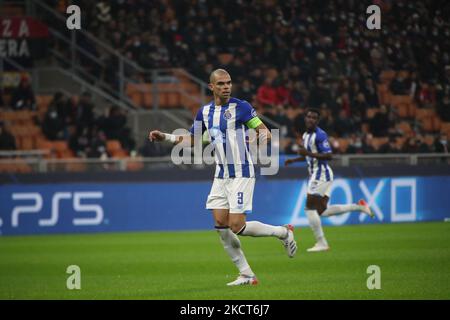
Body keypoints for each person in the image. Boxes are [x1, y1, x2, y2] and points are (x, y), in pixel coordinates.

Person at [148, 69, 297, 286]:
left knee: (237, 225)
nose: (226, 87)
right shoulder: (204, 112)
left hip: (241, 171)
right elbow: (193, 140)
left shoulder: (242, 107)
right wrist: (166, 137)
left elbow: (264, 131)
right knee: (220, 223)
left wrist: (256, 140)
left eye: (228, 83)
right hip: (221, 174)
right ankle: (246, 274)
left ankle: (283, 232)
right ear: (211, 87)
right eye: (221, 84)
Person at [284, 108, 374, 252]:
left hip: (321, 174)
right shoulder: (306, 135)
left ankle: (321, 242)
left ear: (317, 121)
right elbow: (309, 155)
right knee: (321, 211)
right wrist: (294, 160)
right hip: (318, 174)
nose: (310, 120)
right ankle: (359, 206)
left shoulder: (320, 135)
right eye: (308, 117)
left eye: (314, 118)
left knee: (309, 208)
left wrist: (307, 153)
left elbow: (328, 155)